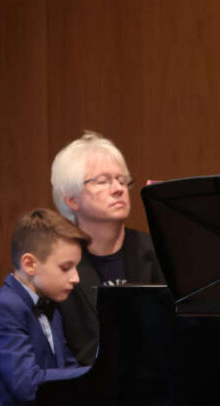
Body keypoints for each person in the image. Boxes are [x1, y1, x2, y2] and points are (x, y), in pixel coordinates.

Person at [0, 209, 91, 406]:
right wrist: (96, 372)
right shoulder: (5, 309)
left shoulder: (49, 303)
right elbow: (28, 384)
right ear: (29, 264)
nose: (76, 278)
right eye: (66, 267)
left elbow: (66, 367)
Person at [51, 131, 164, 365]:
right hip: (84, 391)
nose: (118, 189)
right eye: (103, 181)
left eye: (122, 180)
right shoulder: (56, 264)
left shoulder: (158, 251)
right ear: (71, 199)